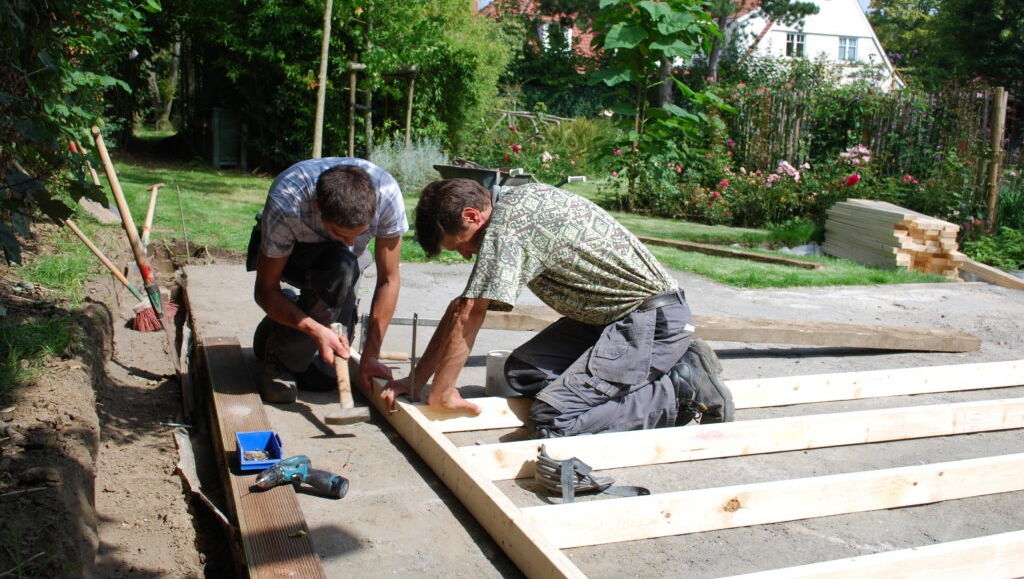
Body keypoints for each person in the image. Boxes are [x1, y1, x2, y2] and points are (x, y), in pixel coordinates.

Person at [381, 178, 733, 437]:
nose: (465, 254)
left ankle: (681, 390)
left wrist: (442, 393)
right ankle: (643, 376)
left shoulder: (507, 226)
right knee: (523, 372)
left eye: (460, 245)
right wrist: (417, 379)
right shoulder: (513, 205)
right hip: (609, 319)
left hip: (650, 321)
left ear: (472, 215)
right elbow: (462, 307)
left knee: (553, 419)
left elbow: (472, 312)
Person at [248, 158, 408, 403]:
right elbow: (265, 290)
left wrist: (371, 355)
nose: (352, 243)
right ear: (318, 207)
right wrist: (315, 330)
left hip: (341, 268)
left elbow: (389, 280)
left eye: (359, 234)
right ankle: (280, 359)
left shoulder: (387, 195)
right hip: (291, 256)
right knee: (342, 265)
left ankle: (279, 325)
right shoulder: (287, 201)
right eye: (341, 234)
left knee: (321, 378)